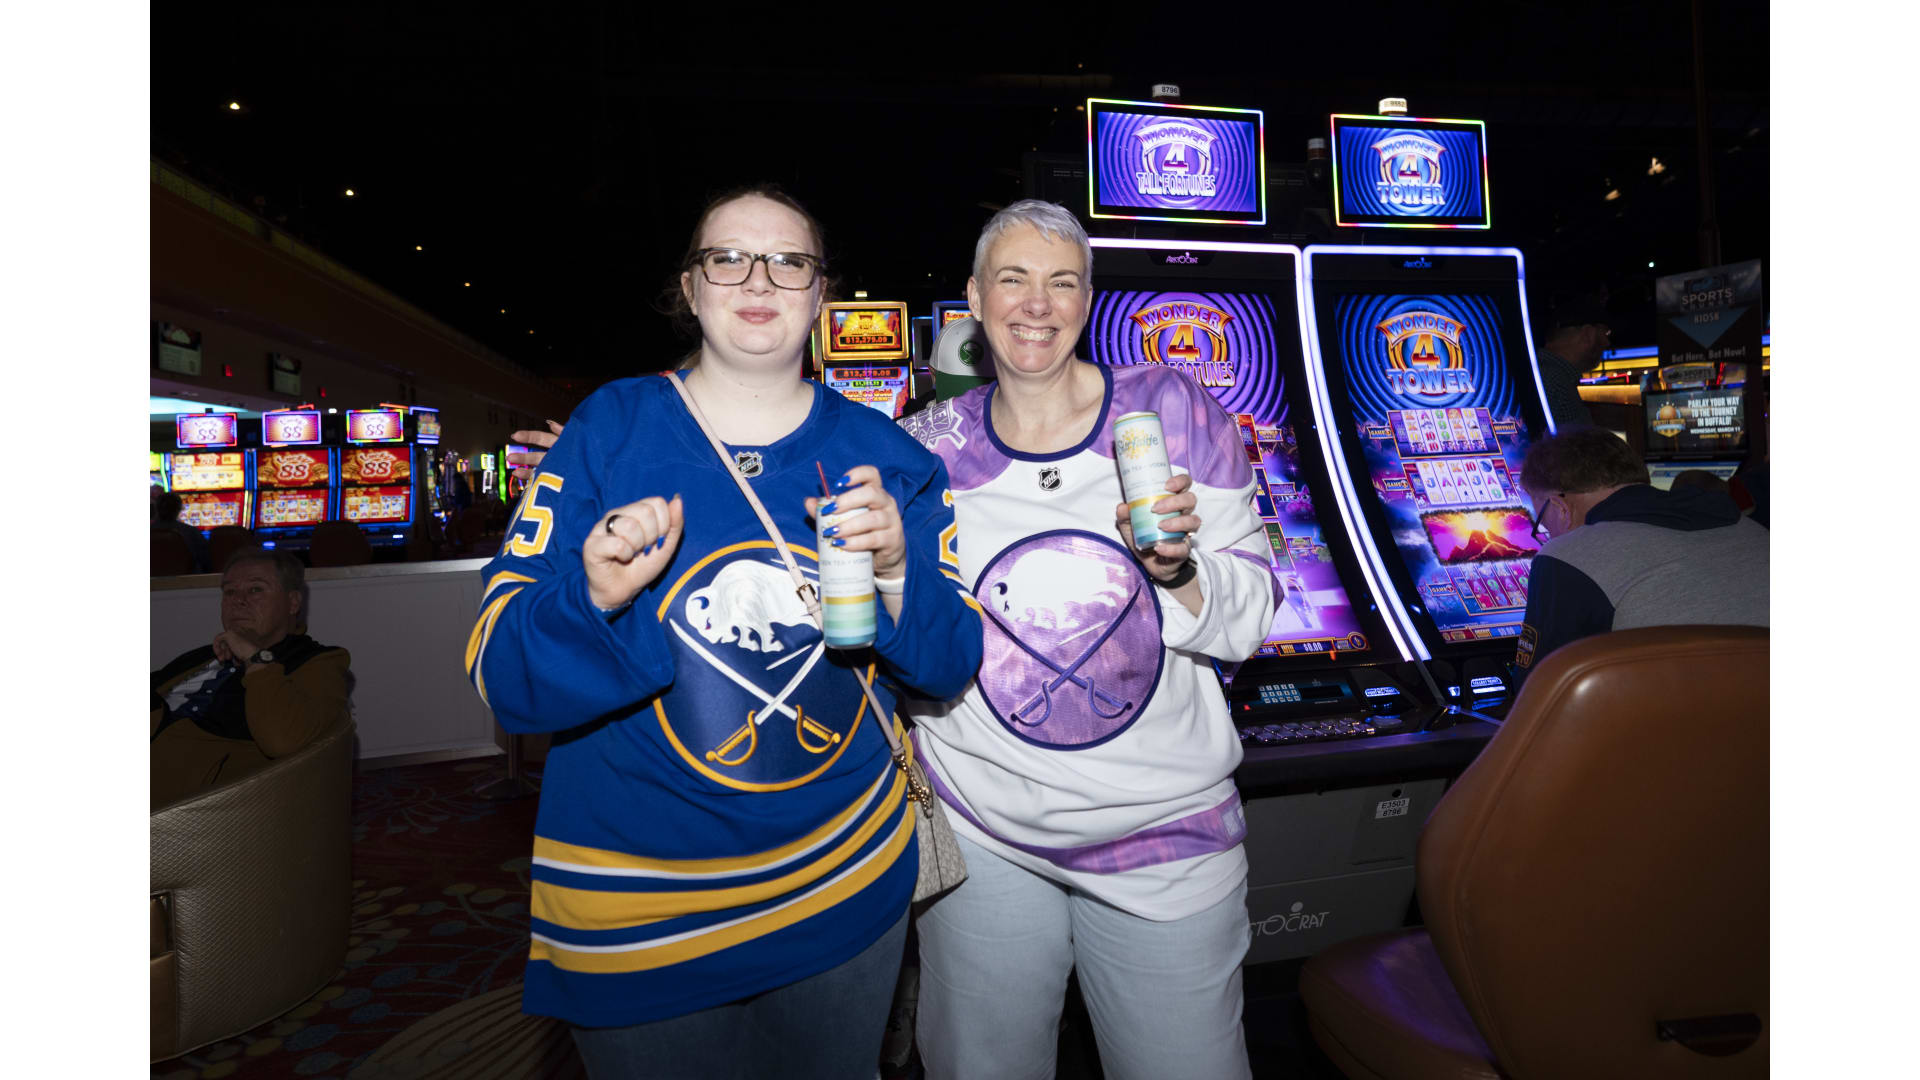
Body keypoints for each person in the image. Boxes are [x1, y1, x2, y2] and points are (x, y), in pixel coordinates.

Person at [465, 185, 982, 1079]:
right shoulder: (609, 431)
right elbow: (503, 678)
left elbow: (947, 665)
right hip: (637, 913)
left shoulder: (891, 456)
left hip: (842, 890)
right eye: (729, 258)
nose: (759, 281)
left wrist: (898, 571)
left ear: (821, 294)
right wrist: (594, 598)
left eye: (789, 262)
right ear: (691, 287)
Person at [896, 200, 1274, 1080]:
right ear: (974, 298)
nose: (1038, 303)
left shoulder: (1171, 411)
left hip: (1164, 834)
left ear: (1088, 299)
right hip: (985, 832)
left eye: (1062, 281)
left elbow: (1253, 614)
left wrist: (1178, 570)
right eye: (1014, 279)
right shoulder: (924, 447)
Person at [1512, 427, 1769, 685]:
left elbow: (1537, 687)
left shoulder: (1567, 556)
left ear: (1560, 507)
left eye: (1544, 523)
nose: (1549, 535)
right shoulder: (1752, 530)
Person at [151, 548, 351, 808]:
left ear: (292, 603)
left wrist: (255, 658)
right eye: (229, 592)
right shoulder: (205, 654)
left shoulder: (318, 661)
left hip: (181, 803)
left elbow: (282, 740)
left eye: (255, 589)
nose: (238, 601)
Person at [1534, 290, 1607, 429]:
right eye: (1606, 333)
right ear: (1588, 334)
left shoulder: (1541, 372)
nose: (1607, 342)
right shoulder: (1556, 383)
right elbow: (1580, 442)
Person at [153, 491, 210, 573]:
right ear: (179, 509)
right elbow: (206, 561)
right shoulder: (191, 532)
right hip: (187, 578)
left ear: (156, 509)